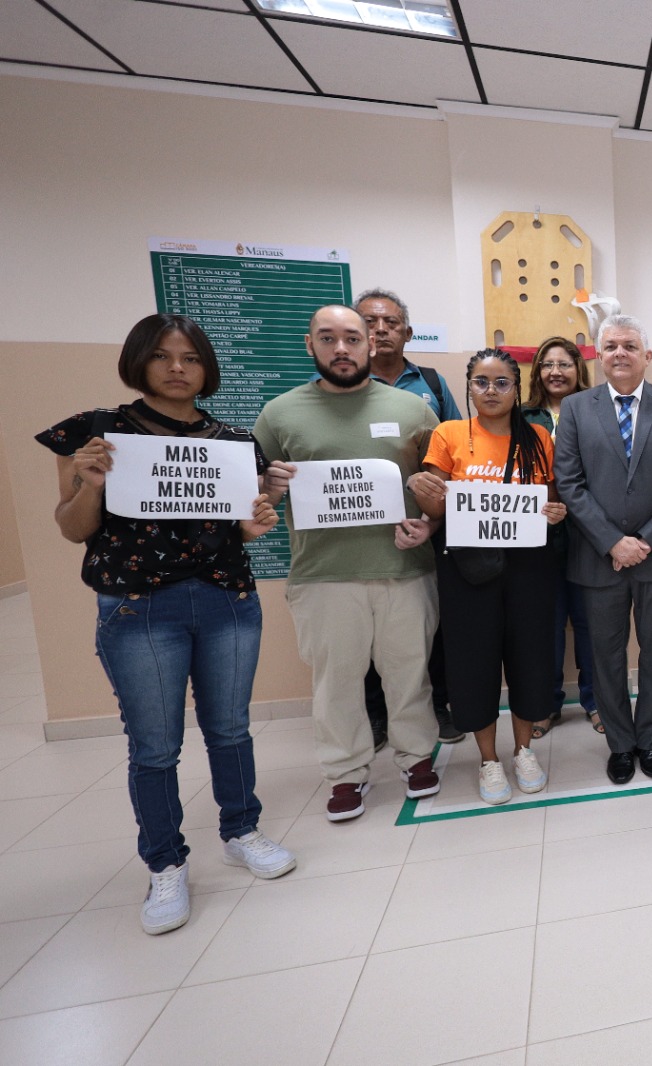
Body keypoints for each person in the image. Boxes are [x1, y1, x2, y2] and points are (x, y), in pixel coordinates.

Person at [38, 314, 295, 936]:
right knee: (155, 745)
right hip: (138, 607)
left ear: (206, 367)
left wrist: (263, 513)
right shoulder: (100, 432)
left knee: (231, 728)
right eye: (162, 356)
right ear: (139, 362)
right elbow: (73, 528)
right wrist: (90, 480)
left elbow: (240, 525)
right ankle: (165, 863)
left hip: (226, 599)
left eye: (190, 357)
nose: (177, 367)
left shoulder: (233, 442)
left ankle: (241, 829)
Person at [255, 304, 443, 822]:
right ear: (309, 344)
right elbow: (250, 494)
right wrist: (267, 489)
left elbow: (439, 488)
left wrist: (429, 523)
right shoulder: (279, 413)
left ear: (371, 344)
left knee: (409, 673)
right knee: (336, 681)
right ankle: (345, 772)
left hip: (406, 569)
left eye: (353, 339)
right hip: (324, 574)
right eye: (328, 338)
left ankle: (416, 757)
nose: (342, 348)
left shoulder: (412, 409)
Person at [408, 349, 567, 803]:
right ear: (469, 387)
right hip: (466, 568)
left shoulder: (537, 436)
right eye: (482, 382)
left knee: (530, 658)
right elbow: (435, 507)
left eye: (502, 383)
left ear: (517, 389)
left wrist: (556, 512)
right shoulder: (449, 433)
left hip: (530, 567)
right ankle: (488, 761)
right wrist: (425, 491)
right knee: (473, 662)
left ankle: (522, 751)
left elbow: (550, 499)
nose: (491, 391)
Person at [554, 315, 652, 785]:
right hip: (599, 556)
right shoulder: (576, 409)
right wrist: (612, 541)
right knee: (607, 656)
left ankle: (650, 740)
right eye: (611, 345)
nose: (620, 352)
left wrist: (647, 540)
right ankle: (620, 744)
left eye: (630, 345)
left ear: (646, 356)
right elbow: (569, 483)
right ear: (599, 355)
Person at [355, 288, 463, 748]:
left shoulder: (432, 385)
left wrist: (437, 518)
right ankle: (376, 715)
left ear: (407, 332)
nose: (380, 330)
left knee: (432, 623)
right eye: (370, 323)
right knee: (366, 631)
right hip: (359, 530)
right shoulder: (338, 390)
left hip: (427, 527)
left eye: (390, 323)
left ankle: (439, 704)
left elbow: (461, 446)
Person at [526, 337, 600, 732]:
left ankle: (595, 700)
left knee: (591, 622)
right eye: (547, 365)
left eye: (564, 364)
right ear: (537, 372)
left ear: (578, 369)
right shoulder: (522, 416)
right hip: (537, 538)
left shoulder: (597, 410)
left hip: (589, 533)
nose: (556, 372)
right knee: (547, 624)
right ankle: (546, 702)